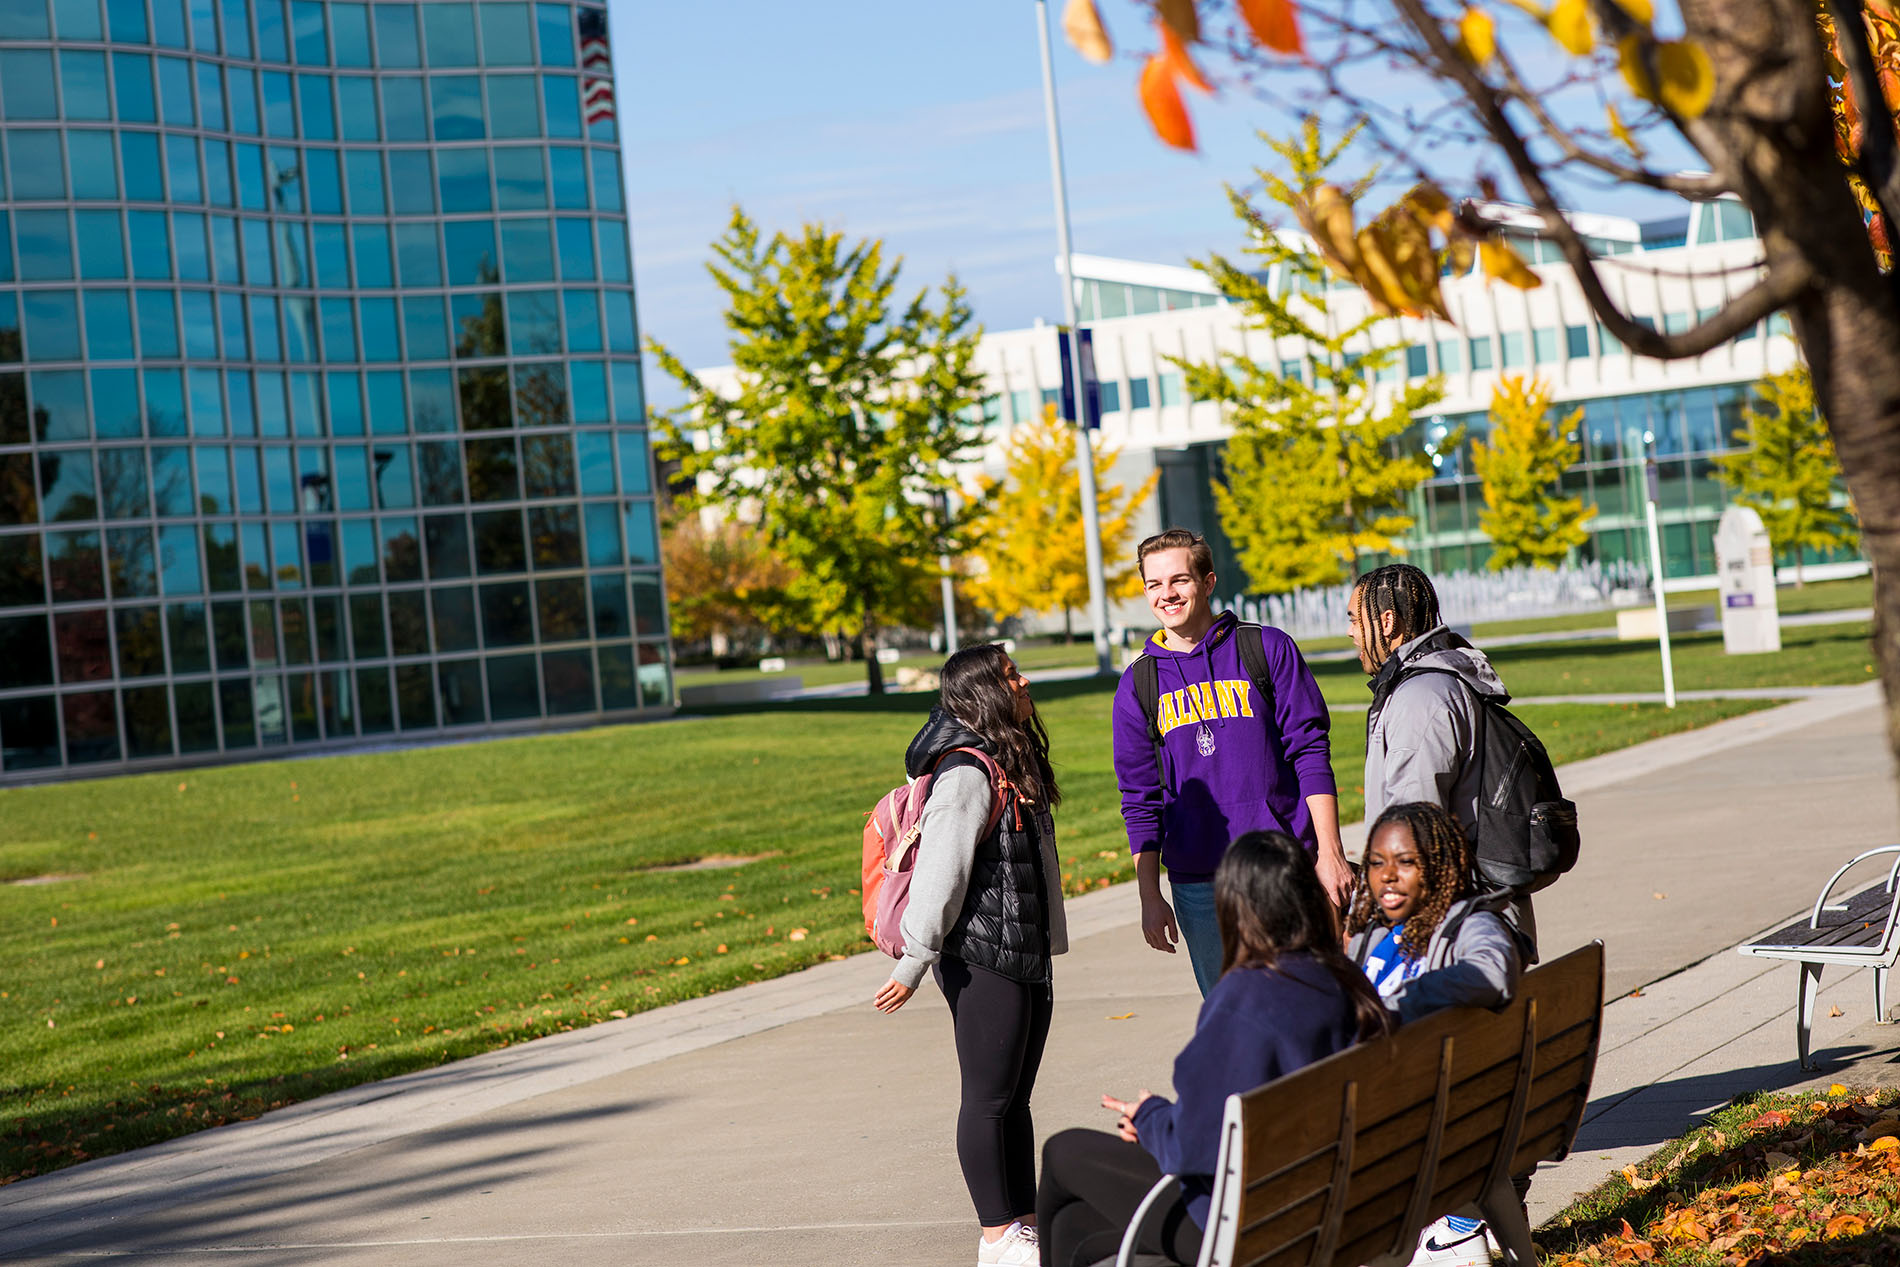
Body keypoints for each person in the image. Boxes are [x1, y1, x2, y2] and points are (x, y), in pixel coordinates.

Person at [1035, 831, 1390, 1267]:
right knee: (1076, 1226)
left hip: (1256, 1227)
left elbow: (1194, 1145)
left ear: (1236, 911)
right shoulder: (1345, 981)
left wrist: (1148, 1117)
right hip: (1341, 1204)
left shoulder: (1246, 998)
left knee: (1063, 1153)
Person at [873, 643, 1068, 1267]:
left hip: (1022, 954)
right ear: (986, 690)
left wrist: (1046, 944)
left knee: (1015, 1099)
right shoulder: (966, 773)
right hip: (981, 958)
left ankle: (1023, 1227)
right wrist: (914, 961)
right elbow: (941, 876)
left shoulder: (1011, 757)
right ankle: (995, 1238)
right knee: (987, 1100)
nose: (1023, 679)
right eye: (1011, 675)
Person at [1112, 527, 1352, 996]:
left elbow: (1310, 752)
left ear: (1207, 581)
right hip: (1201, 888)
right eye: (1154, 585)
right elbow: (1140, 799)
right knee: (1237, 1020)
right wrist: (1149, 896)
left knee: (1313, 1005)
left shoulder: (1266, 649)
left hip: (1284, 867)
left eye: (1179, 580)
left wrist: (1331, 854)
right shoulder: (1138, 684)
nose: (1167, 595)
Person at [1347, 801, 1525, 1267]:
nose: (1387, 876)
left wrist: (1403, 1002)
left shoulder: (1469, 924)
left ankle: (1457, 1232)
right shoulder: (1376, 935)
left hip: (1431, 1120)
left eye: (1405, 862)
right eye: (1376, 863)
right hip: (1395, 1110)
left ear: (1440, 866)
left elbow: (1493, 972)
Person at [1348, 562, 1537, 959]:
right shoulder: (1439, 679)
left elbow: (1412, 829)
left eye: (1354, 619)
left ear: (1386, 622)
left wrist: (1375, 920)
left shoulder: (1422, 698)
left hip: (1450, 931)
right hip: (1472, 918)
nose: (1350, 632)